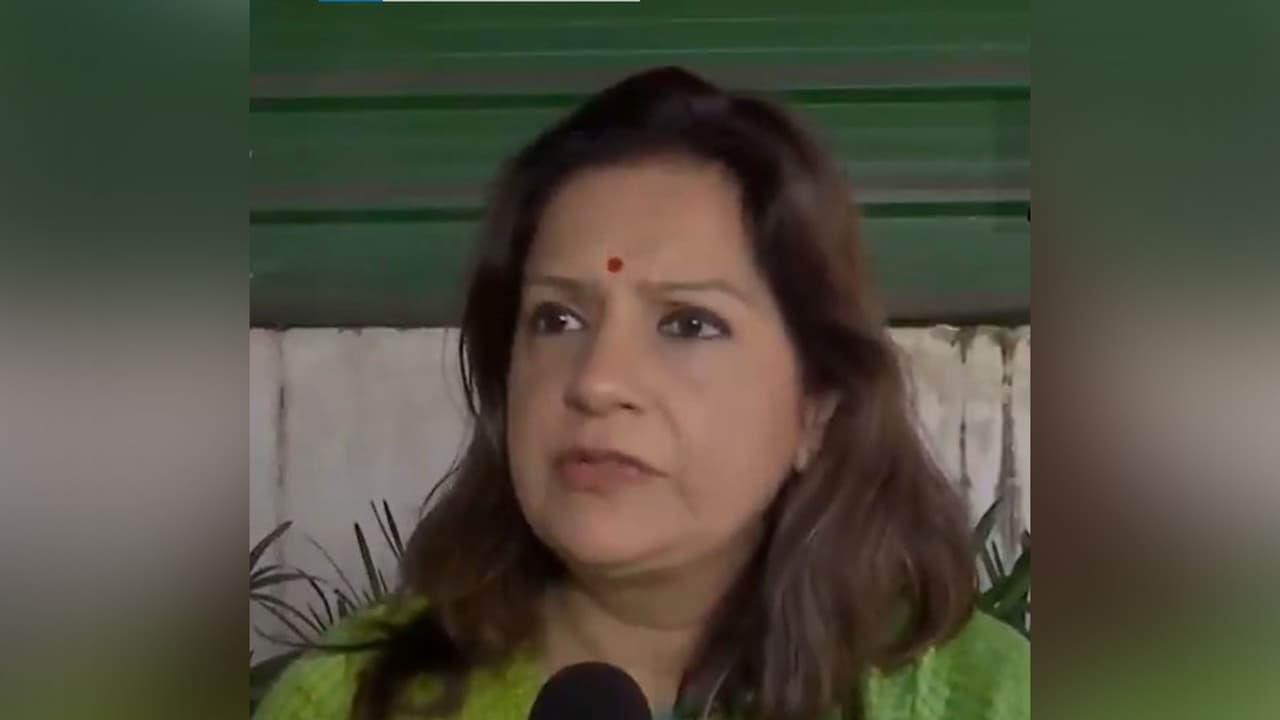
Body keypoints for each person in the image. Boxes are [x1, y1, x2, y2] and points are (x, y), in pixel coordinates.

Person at [255, 66, 1029, 720]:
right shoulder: (349, 702)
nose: (597, 381)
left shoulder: (987, 697)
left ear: (817, 406)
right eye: (557, 319)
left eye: (689, 324)